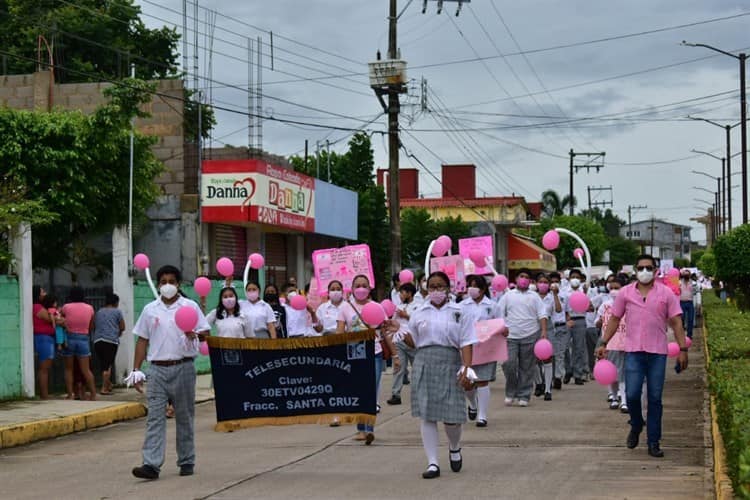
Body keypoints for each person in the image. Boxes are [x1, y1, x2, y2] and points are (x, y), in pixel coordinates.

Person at [596, 255, 688, 458]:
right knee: (631, 394)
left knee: (655, 398)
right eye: (640, 268)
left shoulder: (666, 294)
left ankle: (653, 441)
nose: (644, 271)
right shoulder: (625, 293)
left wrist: (683, 349)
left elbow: (676, 322)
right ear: (635, 271)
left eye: (648, 267)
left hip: (657, 353)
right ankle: (636, 424)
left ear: (655, 271)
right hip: (634, 352)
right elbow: (614, 319)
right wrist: (604, 343)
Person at [130, 265, 210, 480]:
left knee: (184, 416)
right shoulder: (150, 310)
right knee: (155, 417)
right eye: (163, 281)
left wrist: (194, 334)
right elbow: (142, 340)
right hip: (156, 369)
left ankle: (186, 460)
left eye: (171, 282)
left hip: (183, 367)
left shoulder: (189, 306)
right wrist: (137, 369)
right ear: (158, 285)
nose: (167, 286)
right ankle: (151, 465)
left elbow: (205, 332)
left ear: (178, 284)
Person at [398, 271, 476, 479]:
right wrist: (399, 332)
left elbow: (467, 341)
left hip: (450, 362)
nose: (436, 290)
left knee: (452, 418)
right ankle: (432, 462)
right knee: (427, 414)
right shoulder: (419, 311)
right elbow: (413, 341)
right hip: (424, 361)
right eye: (431, 286)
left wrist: (466, 368)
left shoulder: (459, 312)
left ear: (448, 288)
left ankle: (454, 446)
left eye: (440, 286)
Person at [336, 274, 383, 445]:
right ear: (352, 288)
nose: (361, 289)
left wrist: (394, 354)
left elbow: (384, 330)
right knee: (358, 390)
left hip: (375, 353)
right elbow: (340, 331)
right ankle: (360, 428)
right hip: (354, 354)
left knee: (371, 390)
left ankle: (369, 430)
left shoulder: (377, 307)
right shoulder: (345, 308)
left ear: (369, 288)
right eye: (358, 285)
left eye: (364, 285)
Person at [494, 269, 548, 407]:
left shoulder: (534, 296)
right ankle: (511, 392)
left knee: (527, 367)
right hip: (511, 335)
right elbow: (499, 313)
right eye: (521, 276)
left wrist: (543, 332)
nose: (524, 279)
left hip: (530, 334)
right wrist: (502, 327)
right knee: (508, 364)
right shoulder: (508, 295)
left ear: (530, 281)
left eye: (527, 277)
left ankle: (524, 394)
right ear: (516, 279)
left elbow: (542, 314)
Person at [460, 274, 497, 426]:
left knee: (483, 381)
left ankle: (482, 415)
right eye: (470, 285)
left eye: (475, 286)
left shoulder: (492, 305)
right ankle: (473, 404)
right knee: (467, 381)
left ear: (482, 289)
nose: (472, 289)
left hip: (485, 346)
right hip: (466, 347)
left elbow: (500, 324)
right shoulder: (462, 306)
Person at [595, 275, 628, 412]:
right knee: (611, 373)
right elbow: (597, 322)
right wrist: (600, 322)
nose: (614, 290)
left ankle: (624, 401)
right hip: (609, 343)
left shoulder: (628, 304)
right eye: (612, 288)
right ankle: (614, 397)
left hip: (625, 342)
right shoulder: (605, 305)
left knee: (623, 374)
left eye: (617, 288)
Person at [61, 287, 97, 401]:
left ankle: (70, 394)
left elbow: (60, 318)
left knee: (68, 369)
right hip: (83, 339)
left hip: (69, 338)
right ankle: (93, 394)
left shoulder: (66, 307)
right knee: (86, 369)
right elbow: (92, 326)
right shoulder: (90, 308)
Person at [387, 282, 419, 406]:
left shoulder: (418, 306)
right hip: (399, 340)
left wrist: (406, 315)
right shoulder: (398, 306)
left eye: (403, 292)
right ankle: (396, 394)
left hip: (412, 341)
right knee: (398, 367)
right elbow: (393, 321)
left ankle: (418, 394)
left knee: (417, 369)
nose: (400, 295)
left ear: (409, 293)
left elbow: (419, 321)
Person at [92, 293, 125, 395]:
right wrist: (118, 333)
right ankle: (104, 388)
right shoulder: (117, 312)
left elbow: (93, 325)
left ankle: (108, 384)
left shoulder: (99, 312)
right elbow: (123, 327)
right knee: (108, 365)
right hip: (111, 341)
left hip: (97, 341)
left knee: (103, 364)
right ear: (116, 302)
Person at [33, 287, 60, 399]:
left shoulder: (40, 307)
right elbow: (52, 319)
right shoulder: (37, 307)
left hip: (45, 338)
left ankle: (43, 393)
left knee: (44, 368)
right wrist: (59, 320)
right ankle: (44, 395)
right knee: (44, 368)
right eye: (43, 292)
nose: (45, 293)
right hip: (44, 339)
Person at [546, 272, 568, 392]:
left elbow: (564, 311)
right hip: (550, 327)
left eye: (556, 281)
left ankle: (558, 376)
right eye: (552, 281)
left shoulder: (565, 295)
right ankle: (549, 377)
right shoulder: (546, 297)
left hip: (561, 327)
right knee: (550, 354)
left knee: (560, 353)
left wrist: (568, 321)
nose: (554, 284)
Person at [565, 269, 588, 385]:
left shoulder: (584, 291)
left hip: (580, 320)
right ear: (569, 279)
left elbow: (590, 307)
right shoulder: (564, 292)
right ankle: (567, 370)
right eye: (573, 277)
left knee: (578, 348)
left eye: (577, 277)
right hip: (568, 321)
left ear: (581, 279)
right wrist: (566, 316)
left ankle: (578, 373)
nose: (575, 279)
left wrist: (585, 295)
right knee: (564, 347)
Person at [534, 273, 554, 401]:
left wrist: (556, 295)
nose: (542, 284)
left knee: (547, 358)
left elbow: (558, 310)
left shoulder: (551, 297)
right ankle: (538, 382)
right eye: (540, 281)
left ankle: (548, 389)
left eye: (545, 282)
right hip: (533, 327)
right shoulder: (532, 296)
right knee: (533, 359)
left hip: (548, 327)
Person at [678, 270, 695, 339]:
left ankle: (689, 335)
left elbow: (697, 291)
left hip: (690, 303)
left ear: (690, 275)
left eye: (687, 274)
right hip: (681, 302)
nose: (686, 275)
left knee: (690, 319)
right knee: (682, 319)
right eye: (685, 274)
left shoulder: (693, 283)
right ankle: (681, 334)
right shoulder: (679, 282)